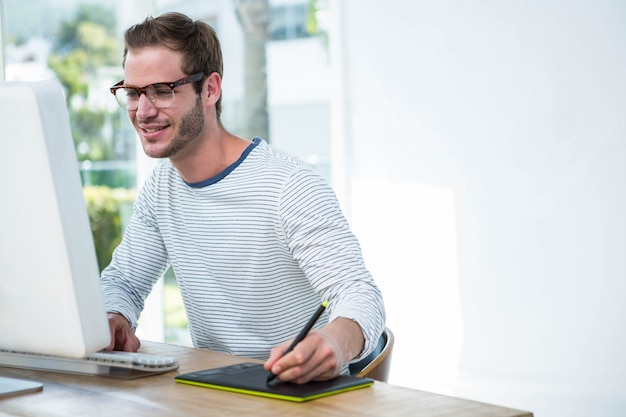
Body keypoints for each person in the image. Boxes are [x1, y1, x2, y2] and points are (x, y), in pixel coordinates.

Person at [101, 11, 385, 384]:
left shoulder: (288, 186)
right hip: (216, 389)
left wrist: (333, 339)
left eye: (162, 90)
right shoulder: (161, 188)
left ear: (211, 89)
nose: (143, 110)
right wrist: (114, 317)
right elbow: (125, 281)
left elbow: (359, 294)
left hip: (297, 393)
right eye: (134, 92)